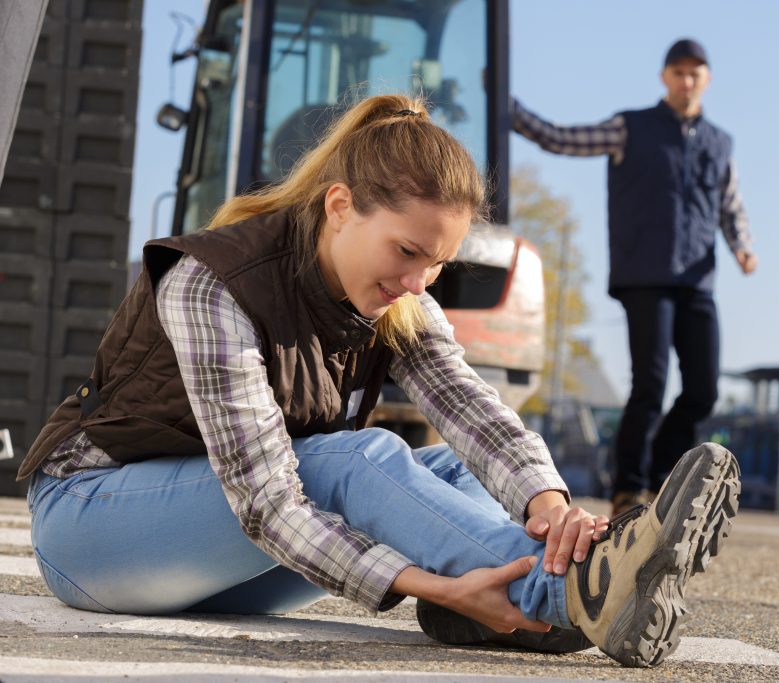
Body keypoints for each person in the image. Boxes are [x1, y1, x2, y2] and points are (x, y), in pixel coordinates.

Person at [17, 94, 740, 668]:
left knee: (456, 470)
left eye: (435, 265)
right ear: (340, 207)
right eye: (406, 251)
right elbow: (269, 503)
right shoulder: (212, 282)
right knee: (353, 460)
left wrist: (550, 509)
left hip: (225, 555)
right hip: (92, 530)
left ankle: (525, 593)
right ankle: (572, 594)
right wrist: (426, 578)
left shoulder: (401, 298)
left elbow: (471, 410)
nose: (416, 281)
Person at [513, 38, 757, 515]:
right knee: (650, 382)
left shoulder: (719, 142)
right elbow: (561, 138)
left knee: (703, 390)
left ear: (706, 80)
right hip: (645, 274)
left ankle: (663, 473)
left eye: (695, 73)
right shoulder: (631, 128)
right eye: (678, 72)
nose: (687, 81)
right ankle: (628, 486)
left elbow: (730, 206)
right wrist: (510, 109)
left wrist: (743, 248)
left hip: (696, 279)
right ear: (665, 78)